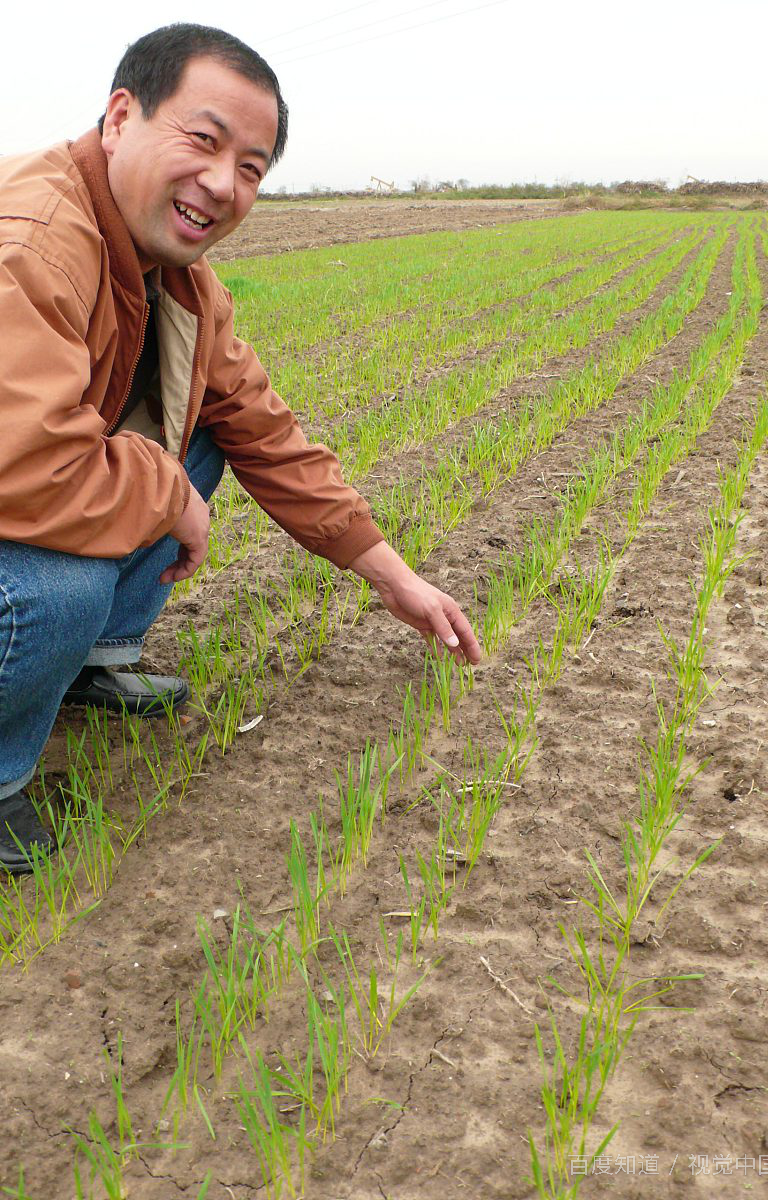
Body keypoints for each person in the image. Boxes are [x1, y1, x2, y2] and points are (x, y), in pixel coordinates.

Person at [0, 23, 480, 875]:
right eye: (203, 140)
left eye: (251, 168)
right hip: (17, 482)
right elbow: (27, 468)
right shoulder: (31, 243)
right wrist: (167, 492)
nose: (221, 184)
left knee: (206, 436)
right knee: (61, 585)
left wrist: (392, 578)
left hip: (29, 480)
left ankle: (88, 667)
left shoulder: (176, 273)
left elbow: (260, 424)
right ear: (120, 117)